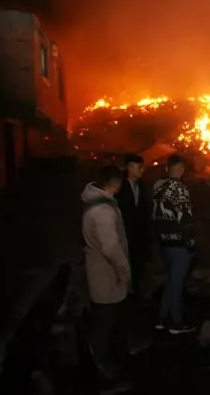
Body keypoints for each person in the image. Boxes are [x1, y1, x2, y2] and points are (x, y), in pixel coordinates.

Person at [81, 165, 131, 379]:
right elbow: (110, 248)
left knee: (107, 317)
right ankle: (100, 362)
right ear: (114, 183)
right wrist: (124, 269)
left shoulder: (100, 205)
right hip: (106, 274)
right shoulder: (103, 212)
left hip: (103, 272)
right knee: (104, 318)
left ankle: (104, 352)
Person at [152, 154, 197, 334]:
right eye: (181, 168)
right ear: (180, 169)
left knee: (170, 280)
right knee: (177, 283)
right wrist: (190, 241)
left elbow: (154, 215)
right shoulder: (179, 188)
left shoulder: (157, 186)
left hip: (163, 241)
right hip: (178, 242)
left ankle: (161, 318)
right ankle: (176, 322)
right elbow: (185, 218)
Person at [116, 154, 149, 297]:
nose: (142, 170)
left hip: (138, 237)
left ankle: (134, 295)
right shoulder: (118, 186)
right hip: (122, 235)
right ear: (129, 167)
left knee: (136, 269)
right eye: (139, 167)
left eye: (142, 167)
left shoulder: (143, 186)